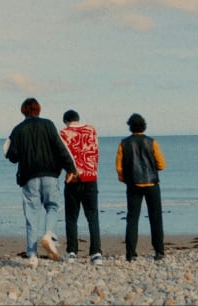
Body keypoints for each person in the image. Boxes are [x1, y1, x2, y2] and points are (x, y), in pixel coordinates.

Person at [5, 97, 77, 269]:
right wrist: (71, 168)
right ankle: (49, 235)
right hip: (50, 174)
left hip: (29, 176)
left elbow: (12, 157)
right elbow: (60, 148)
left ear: (23, 111)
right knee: (52, 206)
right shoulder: (49, 125)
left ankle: (32, 255)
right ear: (39, 110)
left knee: (31, 214)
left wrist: (17, 150)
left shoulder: (18, 129)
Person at [115, 113, 167, 262]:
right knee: (155, 218)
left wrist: (124, 179)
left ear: (130, 127)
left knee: (132, 218)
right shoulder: (152, 142)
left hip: (133, 185)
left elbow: (119, 167)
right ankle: (159, 251)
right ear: (144, 126)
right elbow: (162, 164)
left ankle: (131, 253)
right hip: (152, 183)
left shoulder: (124, 143)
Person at [59, 109, 103, 265]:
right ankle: (96, 253)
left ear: (66, 121)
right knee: (93, 217)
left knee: (71, 218)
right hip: (91, 177)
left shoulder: (63, 133)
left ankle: (72, 252)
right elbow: (95, 151)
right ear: (78, 119)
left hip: (73, 179)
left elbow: (62, 156)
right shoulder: (91, 130)